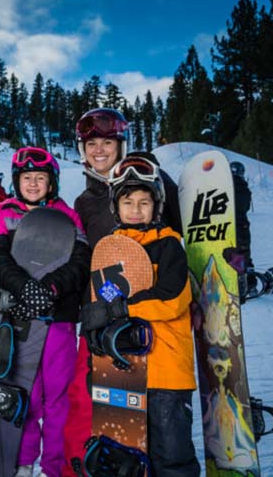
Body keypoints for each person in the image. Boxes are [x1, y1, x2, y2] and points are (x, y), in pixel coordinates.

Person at [63, 108, 183, 475]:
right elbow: (85, 259)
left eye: (108, 142)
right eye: (91, 144)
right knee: (93, 405)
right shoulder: (84, 201)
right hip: (103, 314)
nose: (99, 150)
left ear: (121, 145)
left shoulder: (153, 181)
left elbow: (178, 243)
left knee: (155, 410)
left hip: (152, 315)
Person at [79, 155, 199, 476]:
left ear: (157, 205)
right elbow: (105, 295)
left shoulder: (169, 245)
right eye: (128, 201)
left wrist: (124, 307)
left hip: (167, 373)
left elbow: (172, 299)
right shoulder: (110, 248)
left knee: (171, 457)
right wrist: (98, 324)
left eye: (144, 202)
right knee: (127, 457)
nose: (135, 208)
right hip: (124, 372)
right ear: (115, 207)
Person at [0, 146, 90, 477]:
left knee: (58, 395)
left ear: (51, 182)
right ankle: (24, 461)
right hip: (20, 318)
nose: (33, 184)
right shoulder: (6, 211)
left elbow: (80, 260)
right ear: (17, 181)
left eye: (40, 178)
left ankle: (53, 466)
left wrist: (51, 288)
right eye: (27, 178)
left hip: (57, 318)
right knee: (25, 393)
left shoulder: (67, 214)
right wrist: (23, 287)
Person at [230, 161, 256, 297]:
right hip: (243, 226)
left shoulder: (224, 187)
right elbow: (245, 207)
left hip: (228, 224)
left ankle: (237, 282)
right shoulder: (245, 189)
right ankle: (251, 284)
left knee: (230, 253)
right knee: (245, 253)